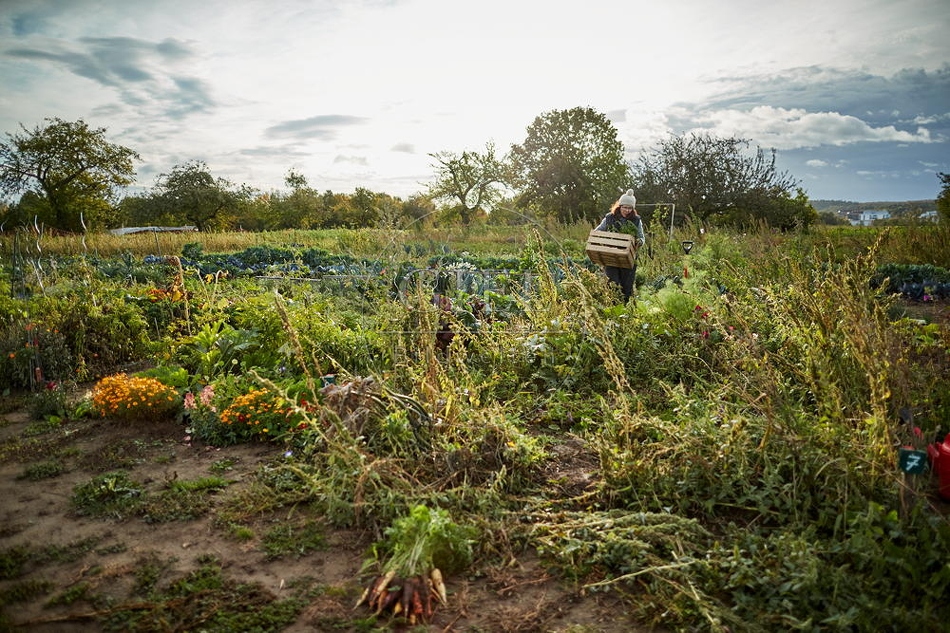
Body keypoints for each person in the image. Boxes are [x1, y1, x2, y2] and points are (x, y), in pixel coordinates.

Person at [595, 189, 645, 301]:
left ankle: (626, 310)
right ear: (620, 206)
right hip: (611, 256)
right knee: (613, 284)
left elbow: (642, 237)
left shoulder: (636, 220)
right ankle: (614, 308)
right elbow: (598, 231)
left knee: (626, 287)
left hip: (628, 258)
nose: (627, 210)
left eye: (630, 208)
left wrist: (639, 242)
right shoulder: (609, 218)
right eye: (625, 207)